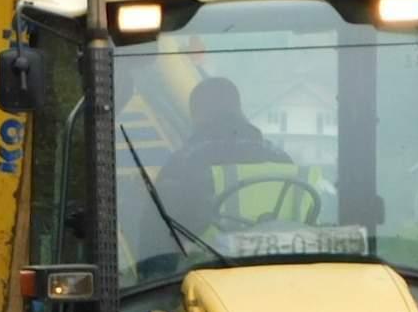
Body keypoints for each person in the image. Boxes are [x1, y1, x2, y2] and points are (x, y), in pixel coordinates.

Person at [120, 76, 309, 269]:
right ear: (239, 109)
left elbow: (156, 241)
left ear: (196, 116)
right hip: (286, 279)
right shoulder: (281, 159)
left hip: (214, 282)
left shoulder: (184, 165)